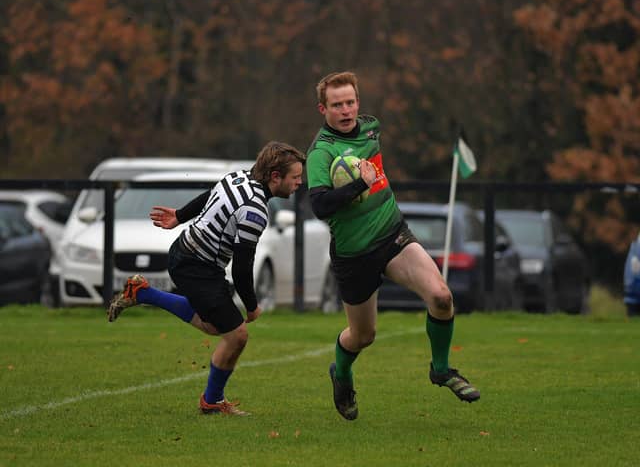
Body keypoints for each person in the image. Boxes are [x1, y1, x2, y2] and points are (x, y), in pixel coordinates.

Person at [306, 71, 480, 421]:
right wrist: (357, 185)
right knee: (363, 335)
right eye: (337, 105)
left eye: (350, 102)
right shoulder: (320, 153)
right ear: (322, 109)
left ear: (358, 102)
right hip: (354, 254)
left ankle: (442, 369)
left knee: (442, 297)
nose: (346, 110)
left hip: (392, 234)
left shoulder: (371, 128)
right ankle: (341, 374)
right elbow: (320, 206)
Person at [107, 141, 305, 416]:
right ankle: (212, 401)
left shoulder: (238, 177)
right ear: (275, 176)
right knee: (237, 335)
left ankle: (142, 293)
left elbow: (209, 195)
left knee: (216, 327)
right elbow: (242, 266)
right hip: (196, 266)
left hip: (189, 255)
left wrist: (179, 216)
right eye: (295, 177)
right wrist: (251, 305)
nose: (299, 183)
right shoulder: (255, 211)